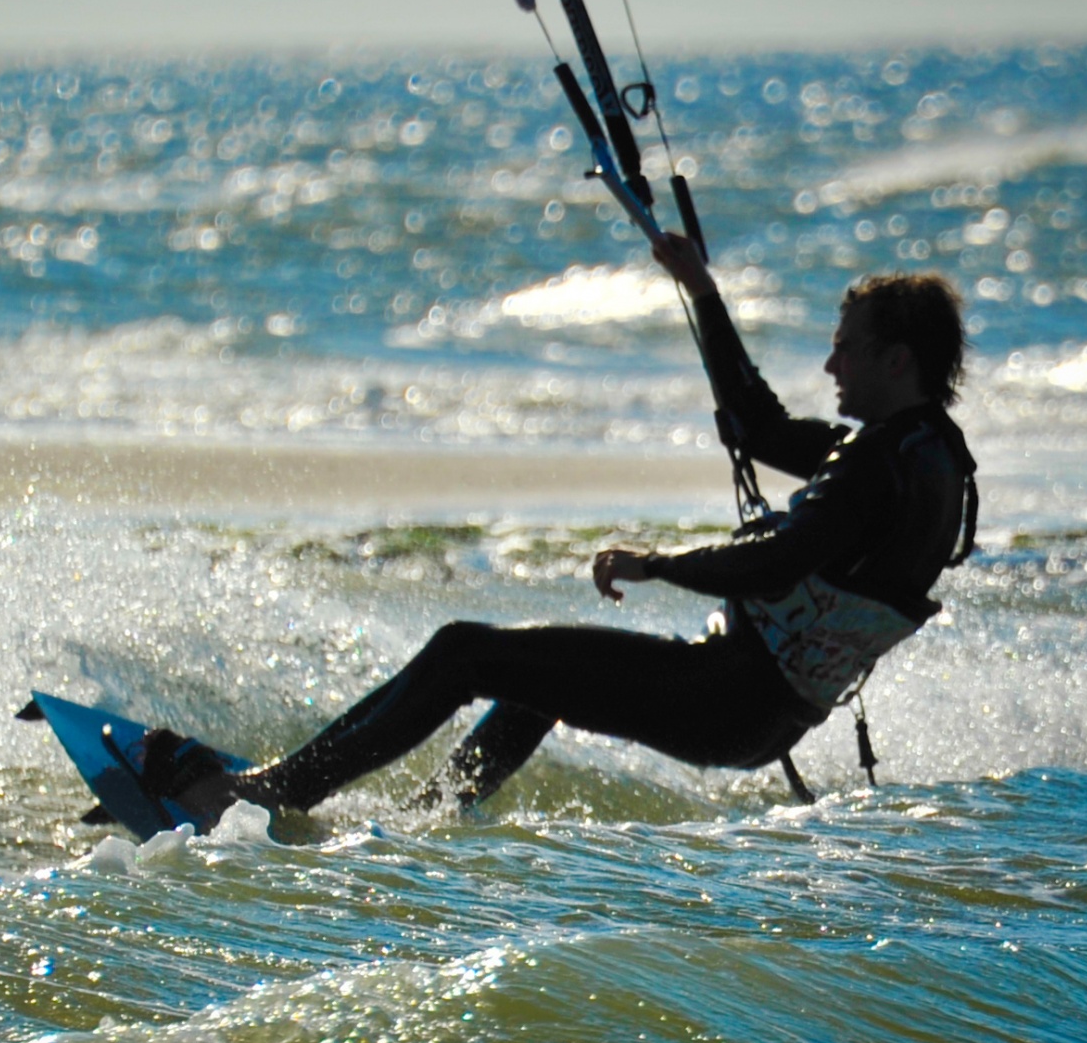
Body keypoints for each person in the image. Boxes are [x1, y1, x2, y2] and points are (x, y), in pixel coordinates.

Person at [149, 230, 979, 823]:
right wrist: (702, 291)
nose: (832, 366)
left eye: (847, 350)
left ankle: (274, 792)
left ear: (896, 358)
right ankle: (433, 819)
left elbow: (777, 564)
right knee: (530, 680)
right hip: (764, 712)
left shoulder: (875, 465)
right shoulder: (930, 460)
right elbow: (759, 430)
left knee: (463, 648)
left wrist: (659, 563)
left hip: (728, 694)